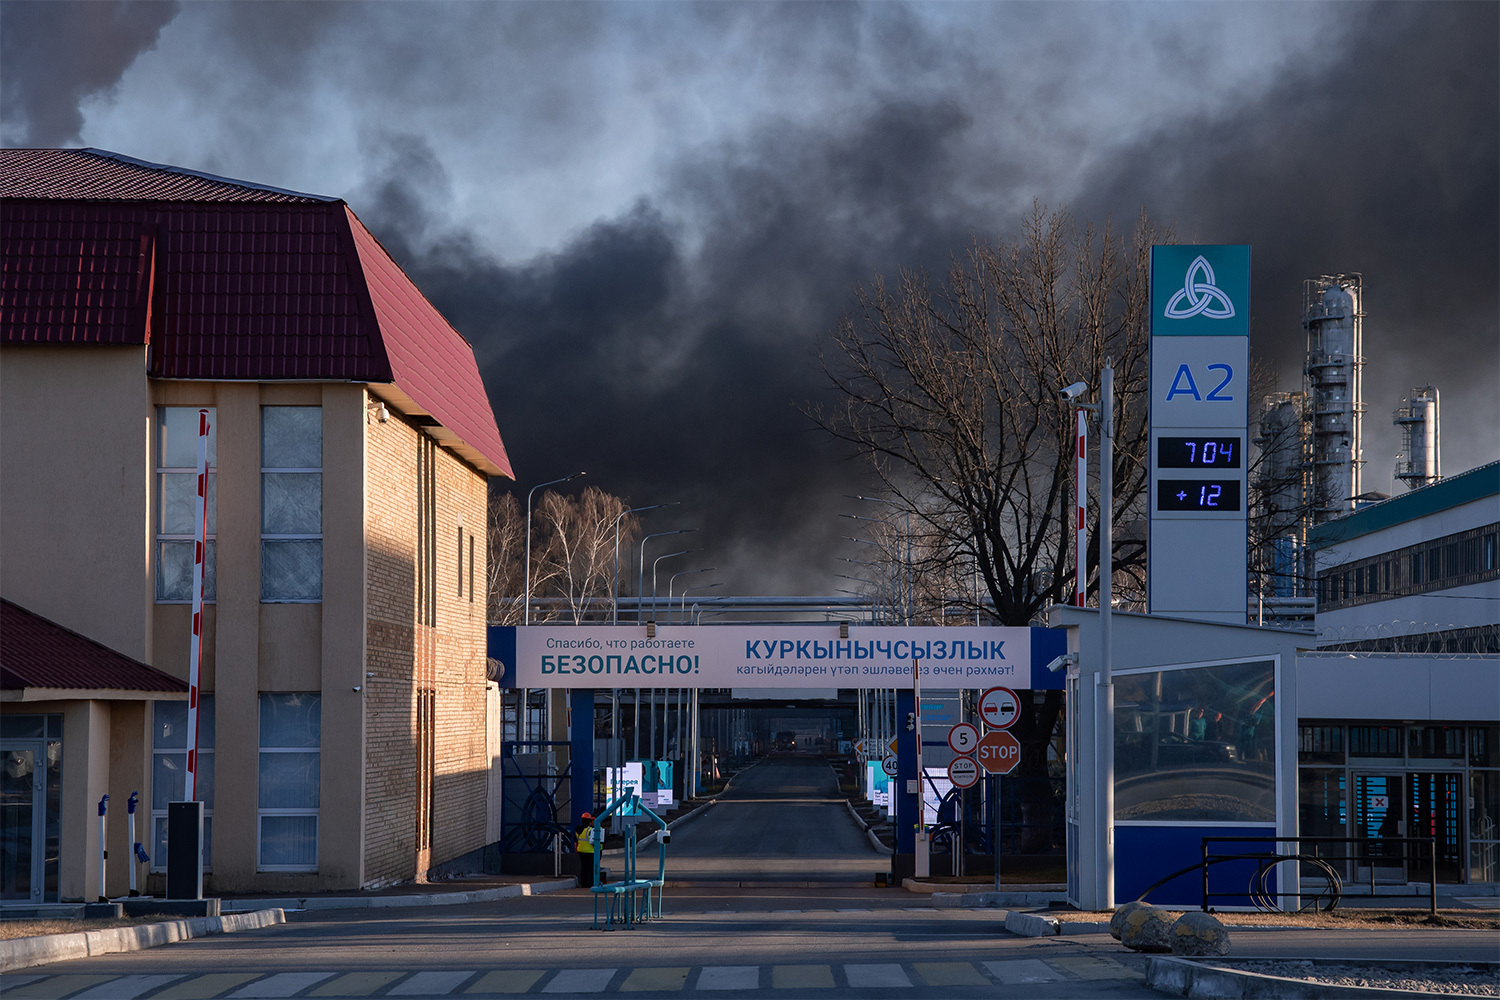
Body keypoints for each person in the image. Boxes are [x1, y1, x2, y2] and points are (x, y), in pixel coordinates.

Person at [575, 812, 597, 888]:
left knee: (583, 868)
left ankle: (583, 883)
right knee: (590, 868)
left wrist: (576, 850)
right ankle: (589, 883)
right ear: (589, 821)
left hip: (581, 850)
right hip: (590, 851)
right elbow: (592, 841)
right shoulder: (590, 830)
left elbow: (576, 841)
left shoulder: (577, 828)